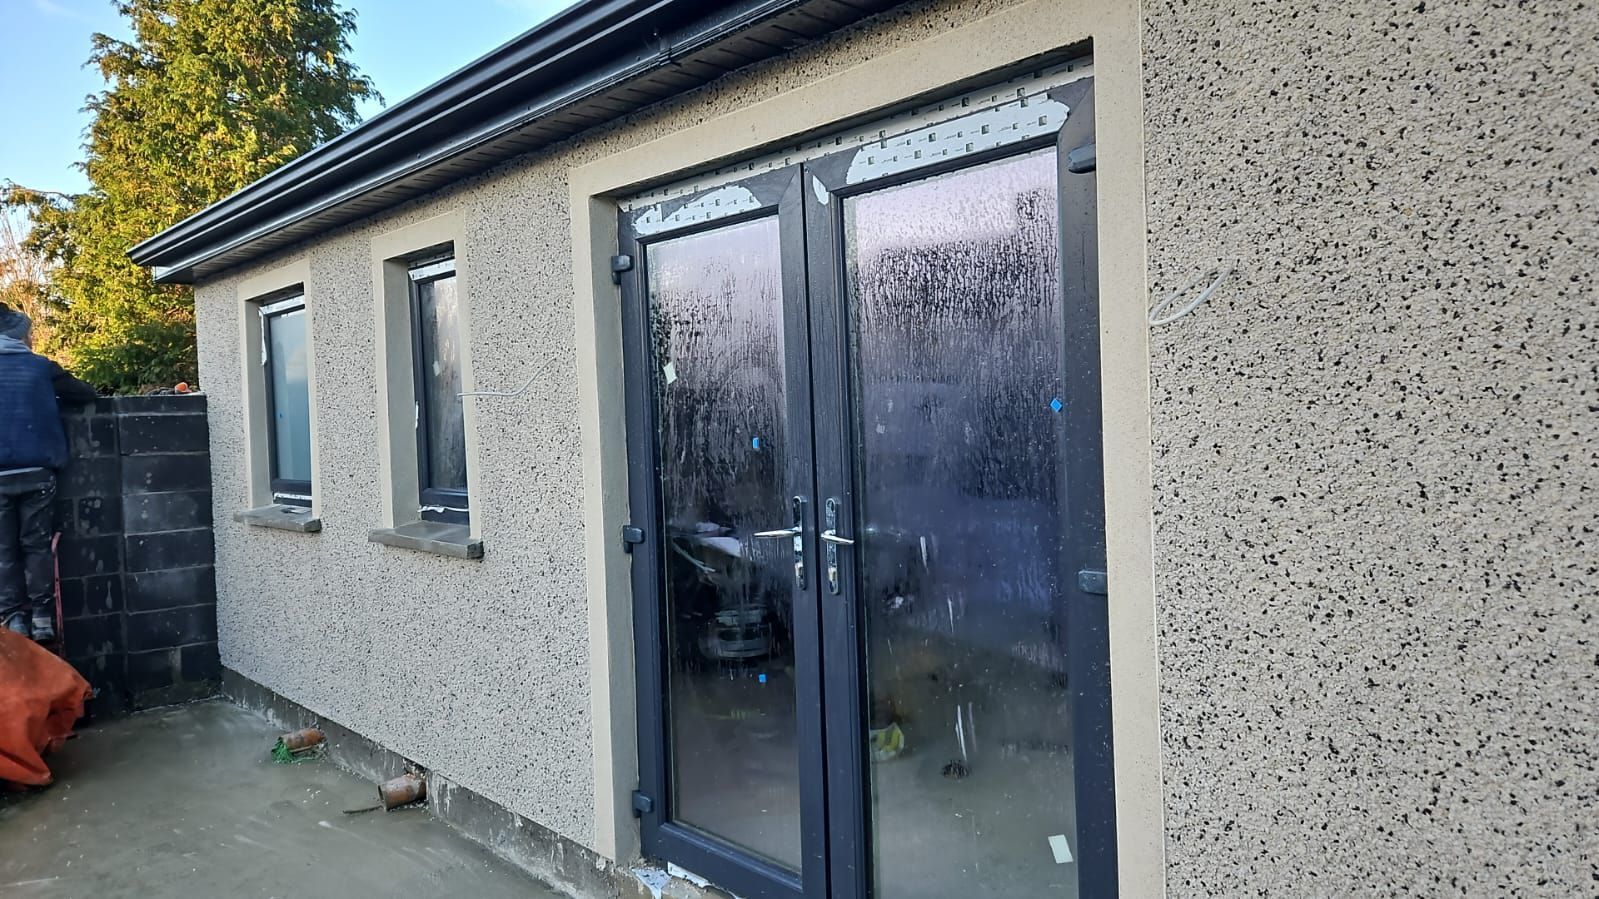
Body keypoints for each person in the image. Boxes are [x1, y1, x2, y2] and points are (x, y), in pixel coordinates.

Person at [0, 307, 98, 641]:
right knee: (36, 545)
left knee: (3, 550)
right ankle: (42, 617)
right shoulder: (41, 367)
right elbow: (86, 393)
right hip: (37, 470)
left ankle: (13, 619)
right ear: (20, 336)